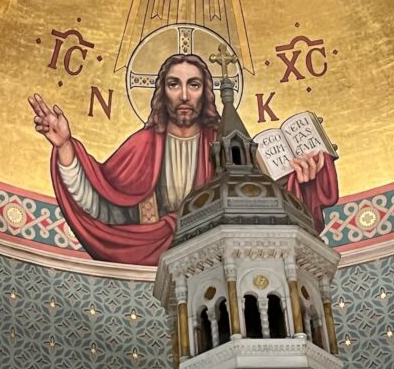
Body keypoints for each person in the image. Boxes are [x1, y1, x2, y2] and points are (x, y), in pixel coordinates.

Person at [29, 53, 338, 265]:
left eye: (194, 84)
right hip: (154, 250)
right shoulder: (142, 145)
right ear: (163, 91)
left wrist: (305, 182)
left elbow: (264, 213)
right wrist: (66, 146)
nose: (185, 96)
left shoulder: (225, 144)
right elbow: (102, 204)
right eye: (174, 84)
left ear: (205, 92)